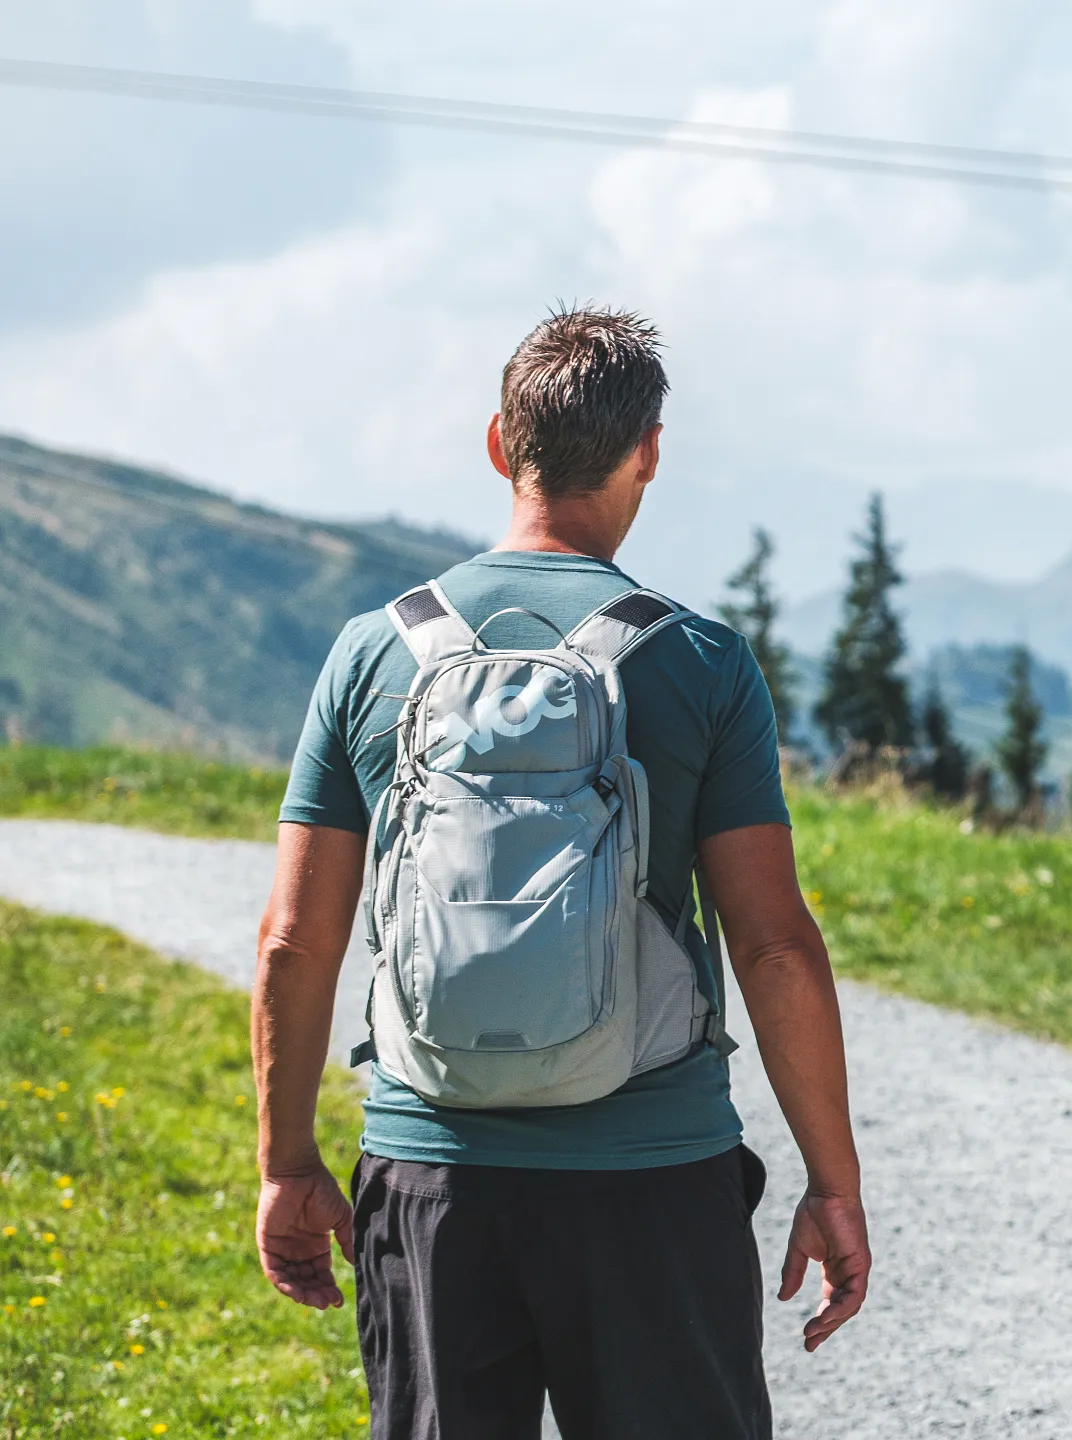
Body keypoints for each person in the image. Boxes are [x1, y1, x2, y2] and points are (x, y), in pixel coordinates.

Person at [251, 308, 871, 1439]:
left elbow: (295, 936)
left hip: (435, 1169)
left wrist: (287, 1161)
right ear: (648, 452)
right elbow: (774, 943)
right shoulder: (698, 661)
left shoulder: (372, 652)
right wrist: (833, 1184)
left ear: (499, 443)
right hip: (650, 1177)